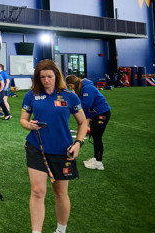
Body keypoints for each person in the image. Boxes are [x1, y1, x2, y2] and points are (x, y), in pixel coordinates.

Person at [20, 59, 87, 233]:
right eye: (42, 77)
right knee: (37, 191)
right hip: (37, 147)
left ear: (57, 76)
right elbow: (23, 120)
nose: (46, 80)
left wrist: (78, 143)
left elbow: (82, 123)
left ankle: (60, 230)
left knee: (60, 194)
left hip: (62, 150)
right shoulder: (31, 95)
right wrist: (29, 125)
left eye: (49, 76)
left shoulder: (69, 96)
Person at [65, 75, 111, 171]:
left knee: (97, 137)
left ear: (74, 83)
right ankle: (96, 158)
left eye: (70, 86)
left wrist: (74, 101)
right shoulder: (81, 88)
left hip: (102, 113)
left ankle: (99, 163)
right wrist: (87, 118)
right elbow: (84, 108)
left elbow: (86, 104)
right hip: (95, 114)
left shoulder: (87, 88)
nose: (70, 88)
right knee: (94, 136)